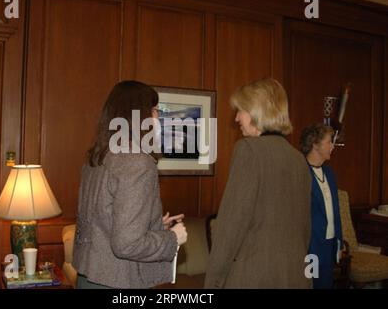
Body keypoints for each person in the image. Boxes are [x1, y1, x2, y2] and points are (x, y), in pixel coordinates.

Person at [73, 80, 187, 289]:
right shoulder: (137, 162)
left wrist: (154, 226)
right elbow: (127, 244)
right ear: (138, 116)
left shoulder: (96, 158)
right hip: (117, 281)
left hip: (88, 276)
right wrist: (172, 238)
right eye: (154, 110)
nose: (157, 116)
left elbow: (103, 222)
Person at [204, 77, 312, 289]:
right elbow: (305, 230)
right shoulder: (298, 158)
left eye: (241, 110)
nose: (236, 118)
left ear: (256, 111)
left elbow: (230, 227)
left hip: (254, 277)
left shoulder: (248, 150)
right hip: (295, 277)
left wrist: (213, 283)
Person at [300, 123, 343, 289]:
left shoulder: (330, 173)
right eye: (328, 142)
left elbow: (335, 212)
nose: (332, 146)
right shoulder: (301, 172)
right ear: (315, 144)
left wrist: (338, 243)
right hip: (310, 246)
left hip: (329, 245)